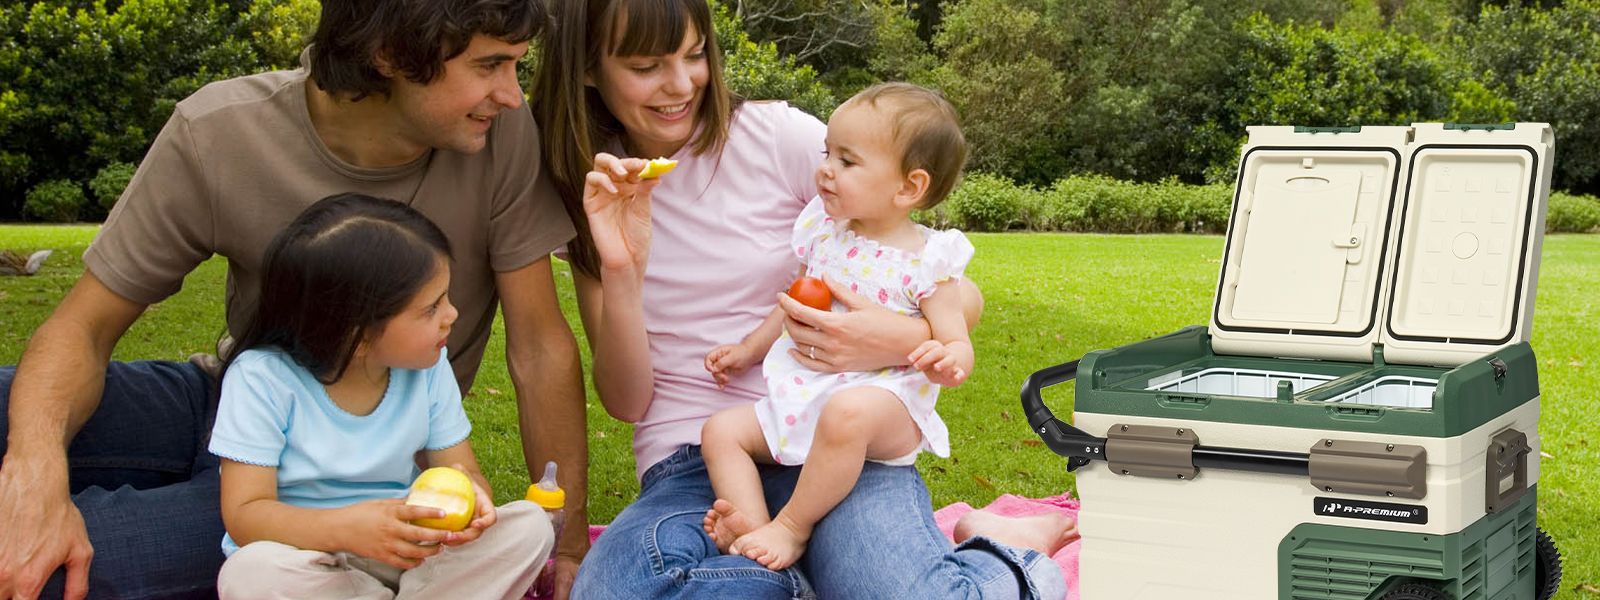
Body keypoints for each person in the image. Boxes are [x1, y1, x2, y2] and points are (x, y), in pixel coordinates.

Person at [0, 2, 589, 598]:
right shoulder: (221, 131)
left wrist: (565, 548)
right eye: (490, 65)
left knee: (51, 569)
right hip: (239, 393)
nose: (512, 95)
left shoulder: (500, 137)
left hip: (335, 486)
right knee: (13, 410)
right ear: (388, 54)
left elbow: (539, 348)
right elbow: (83, 329)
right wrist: (34, 472)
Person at [533, 1, 1075, 598]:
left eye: (694, 56)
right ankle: (799, 571)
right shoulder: (595, 192)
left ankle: (1006, 550)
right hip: (699, 455)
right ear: (587, 68)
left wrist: (901, 338)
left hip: (842, 442)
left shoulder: (779, 138)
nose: (682, 84)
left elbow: (944, 284)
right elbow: (628, 401)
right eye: (646, 66)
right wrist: (623, 269)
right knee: (619, 590)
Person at [697, 82, 1052, 573]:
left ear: (908, 187)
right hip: (808, 396)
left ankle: (791, 527)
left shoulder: (928, 261)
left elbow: (954, 339)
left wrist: (949, 361)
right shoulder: (826, 234)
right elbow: (794, 305)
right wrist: (747, 349)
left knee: (846, 415)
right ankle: (754, 527)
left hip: (885, 407)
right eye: (827, 154)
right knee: (721, 431)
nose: (825, 169)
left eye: (847, 160)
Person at [209, 194, 552, 599]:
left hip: (411, 552)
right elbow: (245, 515)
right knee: (249, 574)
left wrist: (473, 502)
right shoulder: (262, 379)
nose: (452, 314)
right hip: (309, 558)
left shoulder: (427, 369)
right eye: (430, 308)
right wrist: (347, 530)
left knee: (530, 525)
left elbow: (463, 471)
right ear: (355, 334)